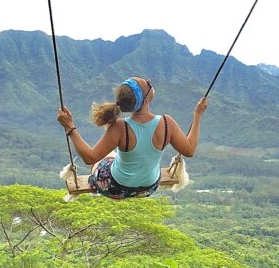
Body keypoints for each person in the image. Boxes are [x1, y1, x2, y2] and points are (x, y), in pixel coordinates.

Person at [57, 76, 208, 199]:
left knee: (102, 158)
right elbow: (189, 150)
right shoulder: (167, 123)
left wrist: (70, 127)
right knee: (111, 156)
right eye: (147, 84)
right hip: (149, 188)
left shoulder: (120, 127)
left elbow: (90, 158)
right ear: (146, 100)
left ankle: (96, 181)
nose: (150, 81)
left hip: (114, 189)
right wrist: (197, 114)